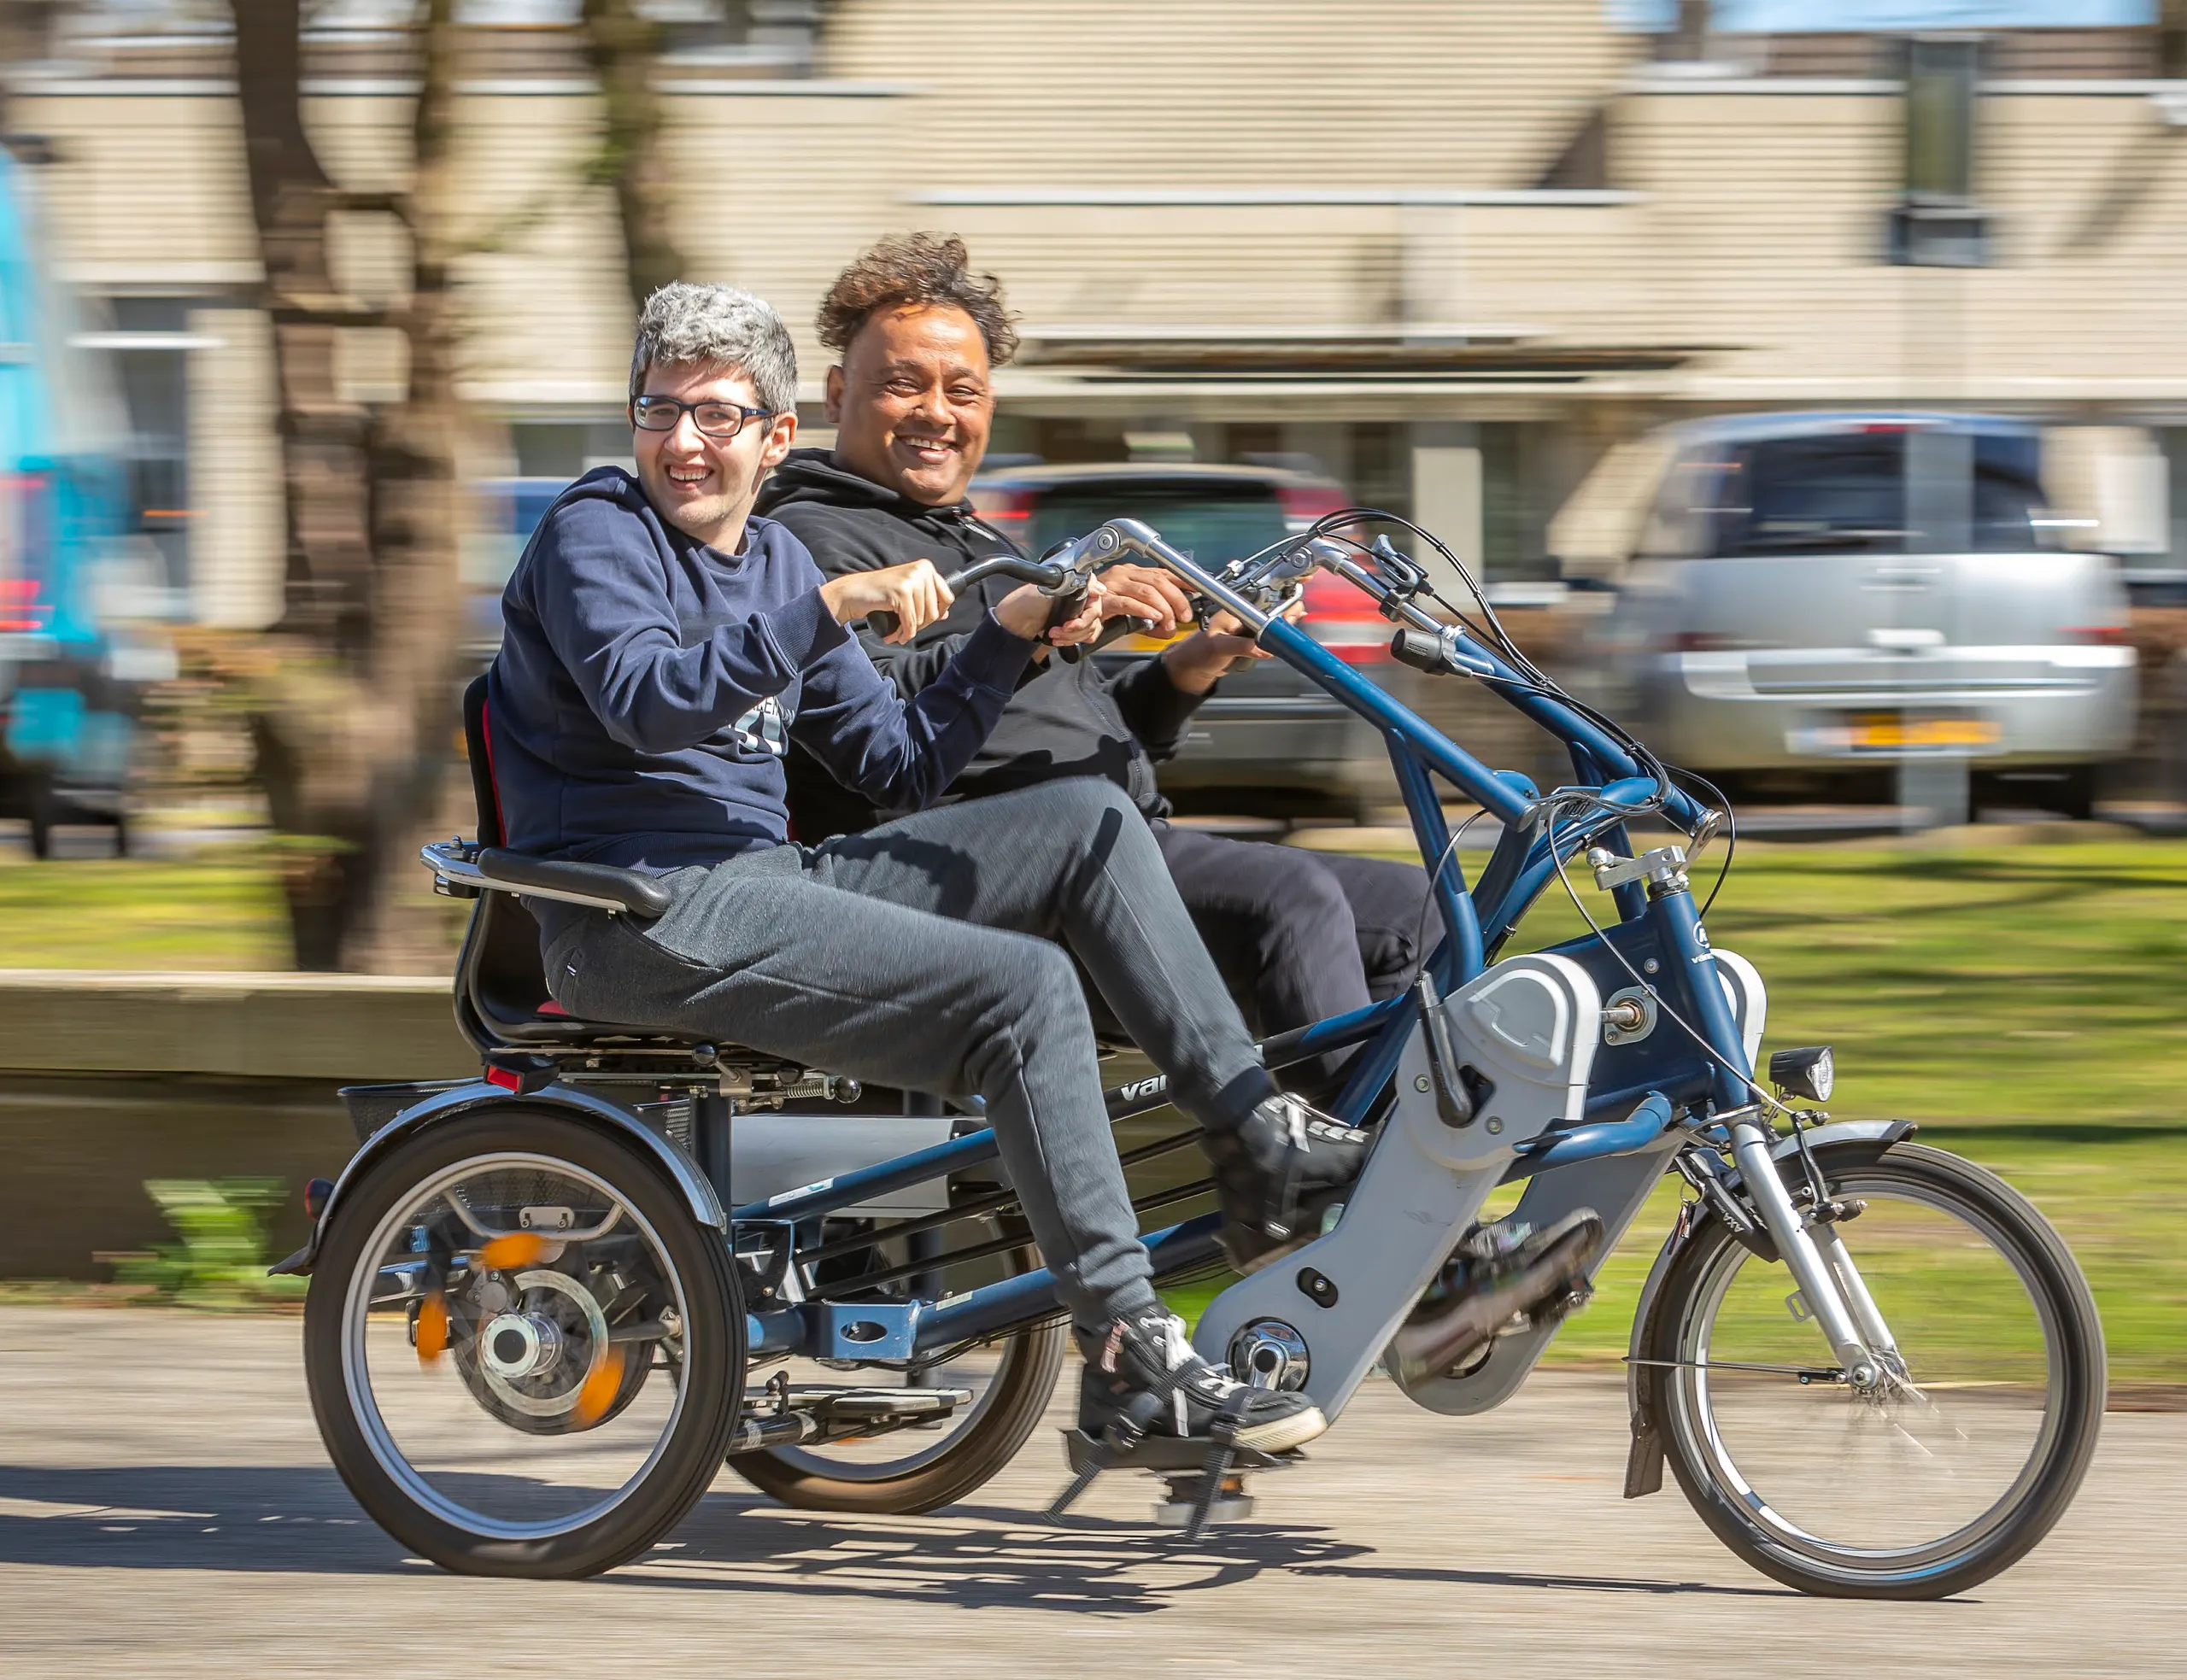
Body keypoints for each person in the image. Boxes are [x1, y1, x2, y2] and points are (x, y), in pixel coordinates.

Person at [488, 281, 1360, 1456]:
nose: (684, 441)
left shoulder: (773, 560)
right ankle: (1128, 1350)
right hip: (637, 912)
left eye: (718, 415)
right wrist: (829, 606)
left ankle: (1256, 1133)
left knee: (1089, 822)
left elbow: (899, 765)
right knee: (1024, 988)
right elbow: (644, 700)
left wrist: (1009, 634)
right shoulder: (597, 531)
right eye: (661, 410)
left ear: (774, 435)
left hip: (767, 881)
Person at [758, 233, 1433, 1113]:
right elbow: (878, 719)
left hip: (1120, 839)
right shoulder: (810, 540)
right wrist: (1023, 630)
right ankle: (1338, 1180)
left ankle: (1409, 1162)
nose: (937, 412)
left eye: (963, 391)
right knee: (1291, 899)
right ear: (836, 393)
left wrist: (1193, 661)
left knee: (1421, 908)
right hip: (989, 876)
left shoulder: (972, 536)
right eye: (903, 384)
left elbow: (1062, 726)